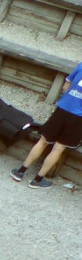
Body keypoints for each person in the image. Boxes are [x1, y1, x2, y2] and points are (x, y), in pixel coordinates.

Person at [10, 61, 82, 189]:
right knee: (58, 148)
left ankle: (20, 171)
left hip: (63, 108)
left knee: (43, 141)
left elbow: (66, 86)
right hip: (78, 116)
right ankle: (37, 180)